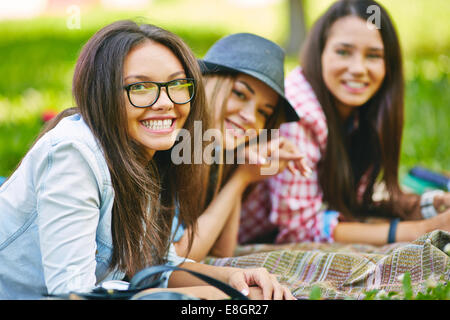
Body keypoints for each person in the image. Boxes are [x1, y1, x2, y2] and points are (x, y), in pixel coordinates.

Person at [0, 20, 295, 300]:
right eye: (140, 87)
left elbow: (153, 266)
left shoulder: (146, 154)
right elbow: (74, 294)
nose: (165, 102)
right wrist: (209, 295)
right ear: (102, 94)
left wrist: (232, 279)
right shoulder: (74, 155)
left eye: (177, 85)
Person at [239, 0, 450, 246]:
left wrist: (426, 205)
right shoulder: (297, 114)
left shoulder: (357, 112)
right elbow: (299, 230)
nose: (358, 68)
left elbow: (355, 199)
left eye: (373, 55)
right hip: (234, 237)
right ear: (320, 53)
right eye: (343, 52)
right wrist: (422, 229)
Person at [173, 33, 311, 261]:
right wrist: (241, 179)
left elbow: (222, 253)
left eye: (263, 112)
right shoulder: (171, 144)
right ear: (207, 82)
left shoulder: (212, 153)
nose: (249, 117)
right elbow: (179, 260)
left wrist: (241, 169)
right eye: (239, 93)